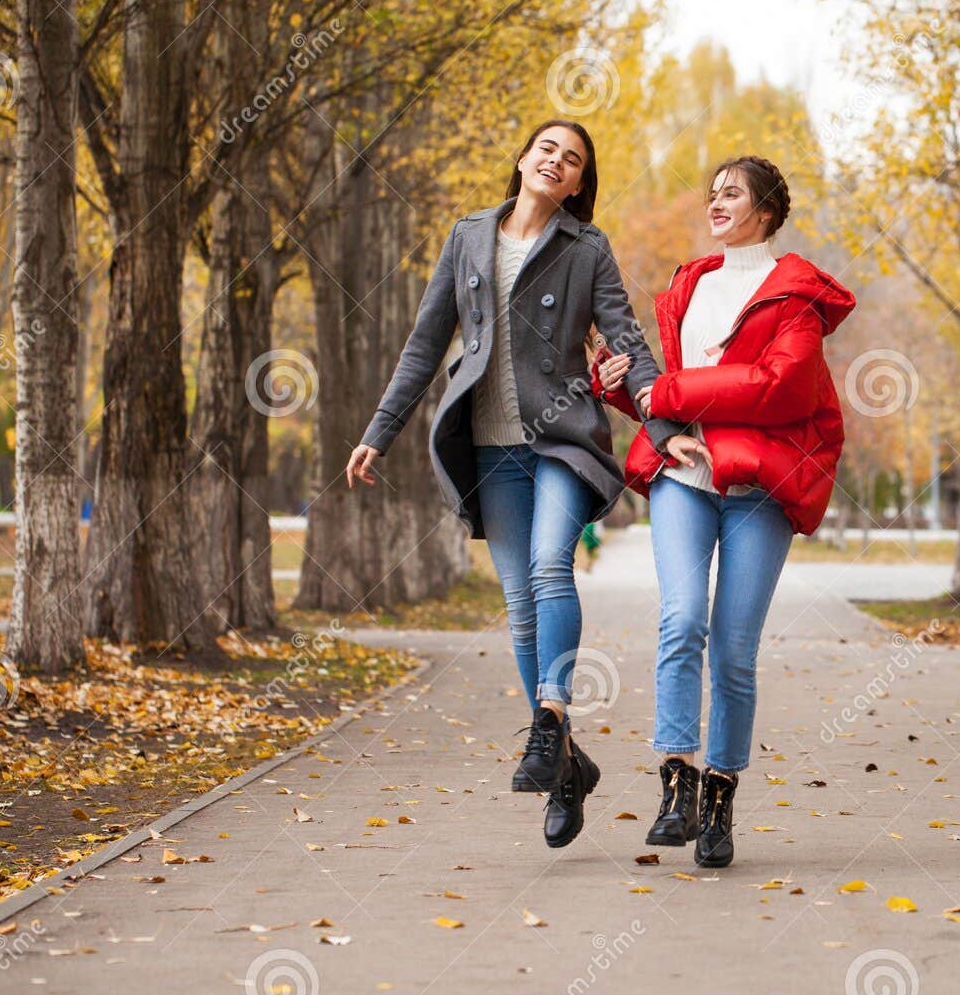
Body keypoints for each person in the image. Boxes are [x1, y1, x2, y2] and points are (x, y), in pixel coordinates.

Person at [346, 120, 677, 850]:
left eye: (574, 161)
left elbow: (626, 341)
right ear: (523, 159)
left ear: (579, 184)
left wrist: (660, 424)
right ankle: (564, 770)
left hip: (561, 438)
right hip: (490, 448)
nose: (557, 162)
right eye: (547, 149)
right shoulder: (468, 236)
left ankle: (551, 714)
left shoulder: (585, 248)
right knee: (521, 607)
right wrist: (379, 431)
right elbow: (426, 342)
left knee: (550, 566)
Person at [595, 155, 856, 867]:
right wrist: (622, 385)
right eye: (711, 193)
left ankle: (719, 797)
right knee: (681, 620)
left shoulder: (796, 298)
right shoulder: (690, 285)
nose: (716, 203)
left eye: (731, 194)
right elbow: (661, 393)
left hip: (759, 490)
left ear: (766, 210)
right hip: (684, 477)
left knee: (734, 651)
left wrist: (674, 392)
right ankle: (674, 781)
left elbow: (781, 388)